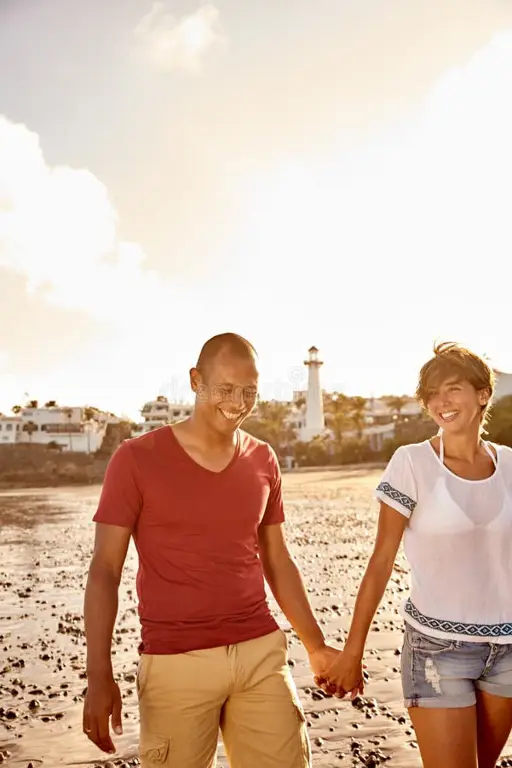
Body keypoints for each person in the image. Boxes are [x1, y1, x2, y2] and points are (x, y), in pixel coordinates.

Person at [83, 332, 340, 768]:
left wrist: (315, 645)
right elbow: (105, 570)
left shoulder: (263, 459)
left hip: (260, 652)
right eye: (224, 389)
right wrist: (98, 674)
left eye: (249, 392)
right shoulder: (136, 459)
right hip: (174, 661)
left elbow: (277, 560)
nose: (237, 403)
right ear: (196, 380)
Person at [319, 342, 512, 768]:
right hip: (437, 648)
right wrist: (353, 651)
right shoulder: (411, 463)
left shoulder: (511, 466)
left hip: (508, 649)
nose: (441, 402)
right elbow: (381, 560)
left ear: (483, 394)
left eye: (454, 389)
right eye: (431, 394)